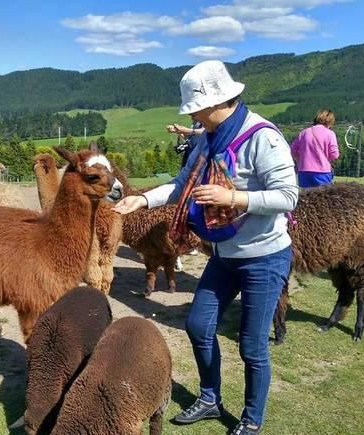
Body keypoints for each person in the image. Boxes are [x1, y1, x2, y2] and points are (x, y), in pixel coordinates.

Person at [114, 60, 298, 435]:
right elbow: (182, 183)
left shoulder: (264, 137)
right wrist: (143, 201)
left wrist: (234, 197)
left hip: (263, 255)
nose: (192, 115)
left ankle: (251, 419)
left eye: (195, 108)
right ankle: (210, 397)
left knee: (251, 344)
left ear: (216, 102)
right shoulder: (206, 139)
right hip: (225, 253)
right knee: (198, 325)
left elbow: (288, 196)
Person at [167, 121, 205, 271]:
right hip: (190, 167)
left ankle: (195, 242)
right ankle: (190, 243)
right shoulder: (196, 122)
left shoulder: (204, 123)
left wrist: (187, 130)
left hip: (198, 170)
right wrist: (181, 133)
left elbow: (206, 132)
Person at [290, 109, 339, 187]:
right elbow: (335, 155)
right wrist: (324, 158)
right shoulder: (330, 134)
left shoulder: (304, 132)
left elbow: (292, 150)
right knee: (323, 197)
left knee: (305, 198)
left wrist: (300, 159)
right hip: (322, 171)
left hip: (303, 171)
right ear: (330, 122)